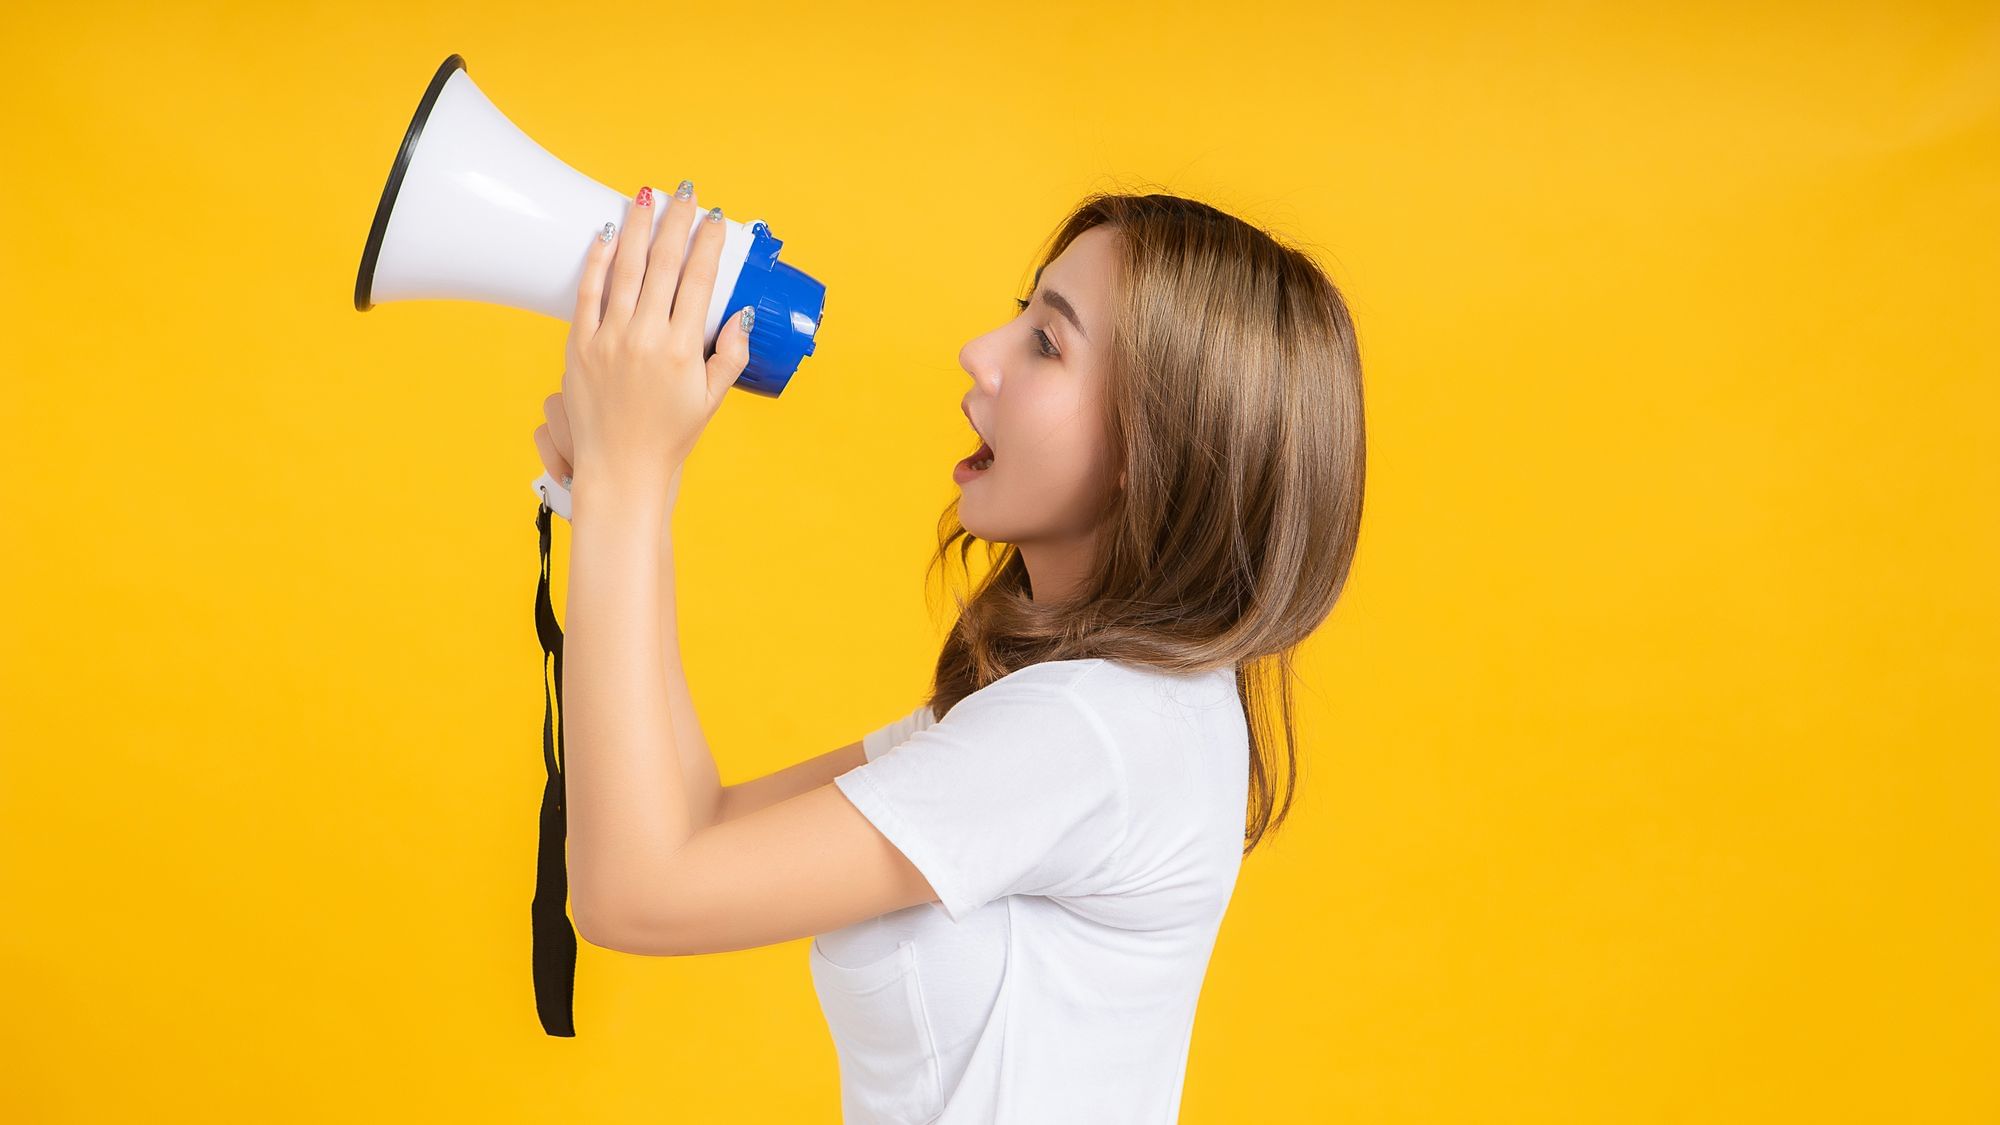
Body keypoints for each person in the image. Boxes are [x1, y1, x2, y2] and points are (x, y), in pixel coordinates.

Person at [534, 186, 1366, 1123]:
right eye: (1023, 317)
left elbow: (635, 894)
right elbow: (695, 824)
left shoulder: (1092, 731)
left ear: (1158, 445)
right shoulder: (1105, 711)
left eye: (1048, 343)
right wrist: (620, 493)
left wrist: (628, 487)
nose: (980, 353)